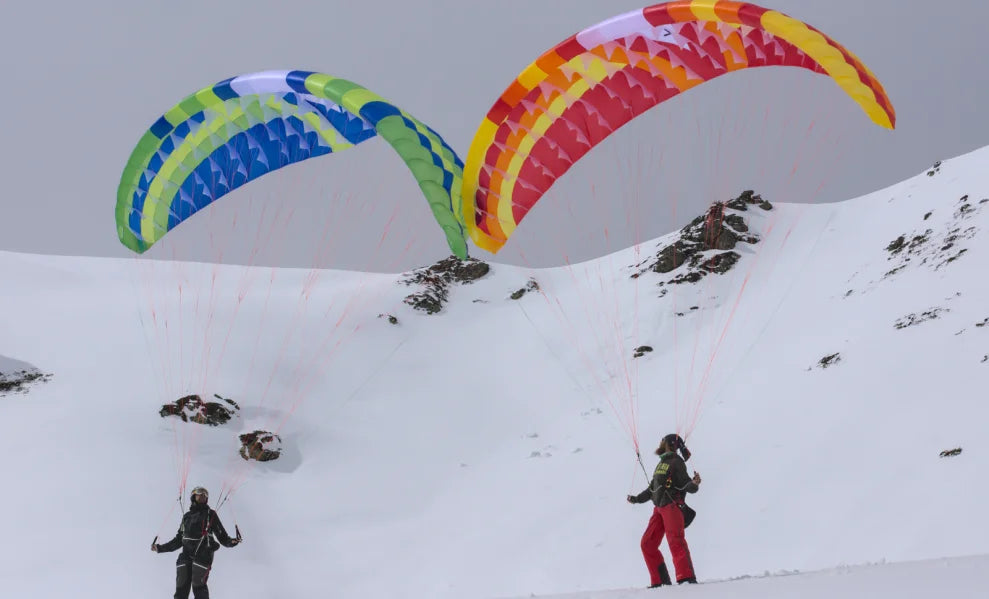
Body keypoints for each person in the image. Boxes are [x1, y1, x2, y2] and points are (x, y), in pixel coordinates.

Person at [627, 433, 701, 587]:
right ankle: (660, 581)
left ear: (670, 444)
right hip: (659, 509)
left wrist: (694, 484)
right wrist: (636, 499)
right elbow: (652, 489)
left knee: (675, 540)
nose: (660, 443)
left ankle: (686, 578)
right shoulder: (661, 463)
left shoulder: (677, 462)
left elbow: (686, 484)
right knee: (647, 544)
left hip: (672, 506)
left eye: (663, 441)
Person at [152, 486, 242, 598]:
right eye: (200, 493)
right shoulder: (187, 517)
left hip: (203, 554)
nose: (203, 495)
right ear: (193, 496)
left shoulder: (210, 514)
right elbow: (178, 540)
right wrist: (160, 548)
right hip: (186, 556)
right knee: (181, 589)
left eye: (205, 494)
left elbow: (222, 536)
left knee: (198, 586)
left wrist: (231, 542)